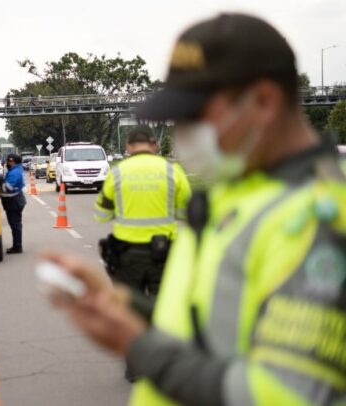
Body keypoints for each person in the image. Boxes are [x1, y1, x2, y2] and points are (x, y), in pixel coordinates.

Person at [46, 13, 346, 405]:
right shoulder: (240, 190)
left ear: (263, 101)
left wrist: (137, 344)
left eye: (195, 115)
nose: (183, 132)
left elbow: (283, 393)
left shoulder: (319, 216)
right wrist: (124, 306)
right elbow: (214, 332)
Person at [95, 125, 191, 297]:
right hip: (163, 252)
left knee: (130, 312)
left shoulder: (117, 173)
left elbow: (102, 215)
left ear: (128, 147)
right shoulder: (173, 171)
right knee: (164, 308)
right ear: (155, 145)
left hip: (127, 254)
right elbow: (185, 212)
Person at [0, 154, 27, 254]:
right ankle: (17, 245)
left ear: (14, 161)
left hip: (14, 201)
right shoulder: (16, 170)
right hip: (15, 200)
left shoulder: (15, 172)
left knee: (15, 225)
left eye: (9, 161)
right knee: (16, 225)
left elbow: (8, 188)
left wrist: (0, 182)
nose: (7, 163)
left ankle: (17, 247)